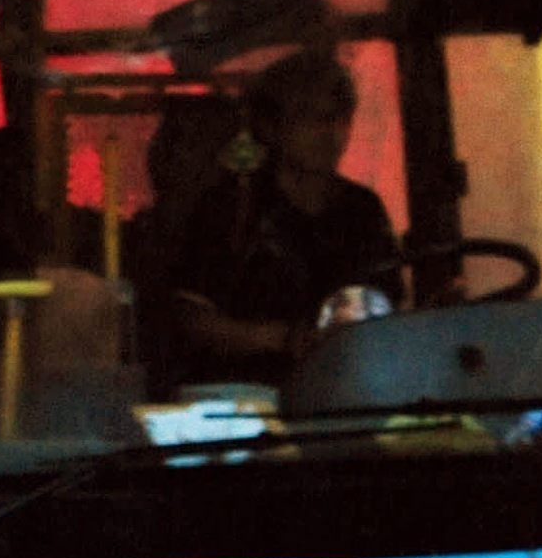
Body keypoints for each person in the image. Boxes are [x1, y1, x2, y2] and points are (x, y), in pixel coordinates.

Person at [158, 47, 399, 376]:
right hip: (252, 398)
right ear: (270, 127)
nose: (330, 133)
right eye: (309, 117)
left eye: (340, 118)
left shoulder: (363, 210)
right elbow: (191, 320)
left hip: (350, 389)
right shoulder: (232, 210)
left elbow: (387, 305)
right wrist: (276, 339)